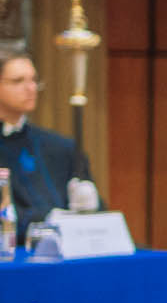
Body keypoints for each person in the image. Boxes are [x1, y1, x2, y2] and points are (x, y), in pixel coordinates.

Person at [0, 50, 100, 240]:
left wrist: (89, 208)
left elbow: (94, 214)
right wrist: (47, 222)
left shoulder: (62, 148)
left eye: (34, 80)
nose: (31, 88)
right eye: (18, 81)